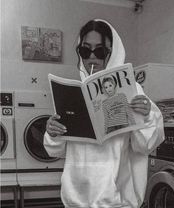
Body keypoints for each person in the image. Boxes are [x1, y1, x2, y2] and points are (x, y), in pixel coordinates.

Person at [44, 19, 165, 208]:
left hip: (116, 202)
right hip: (75, 201)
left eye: (99, 51)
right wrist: (52, 133)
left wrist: (147, 116)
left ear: (112, 52)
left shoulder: (133, 91)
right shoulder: (71, 94)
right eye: (85, 50)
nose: (92, 57)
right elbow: (55, 151)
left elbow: (145, 146)